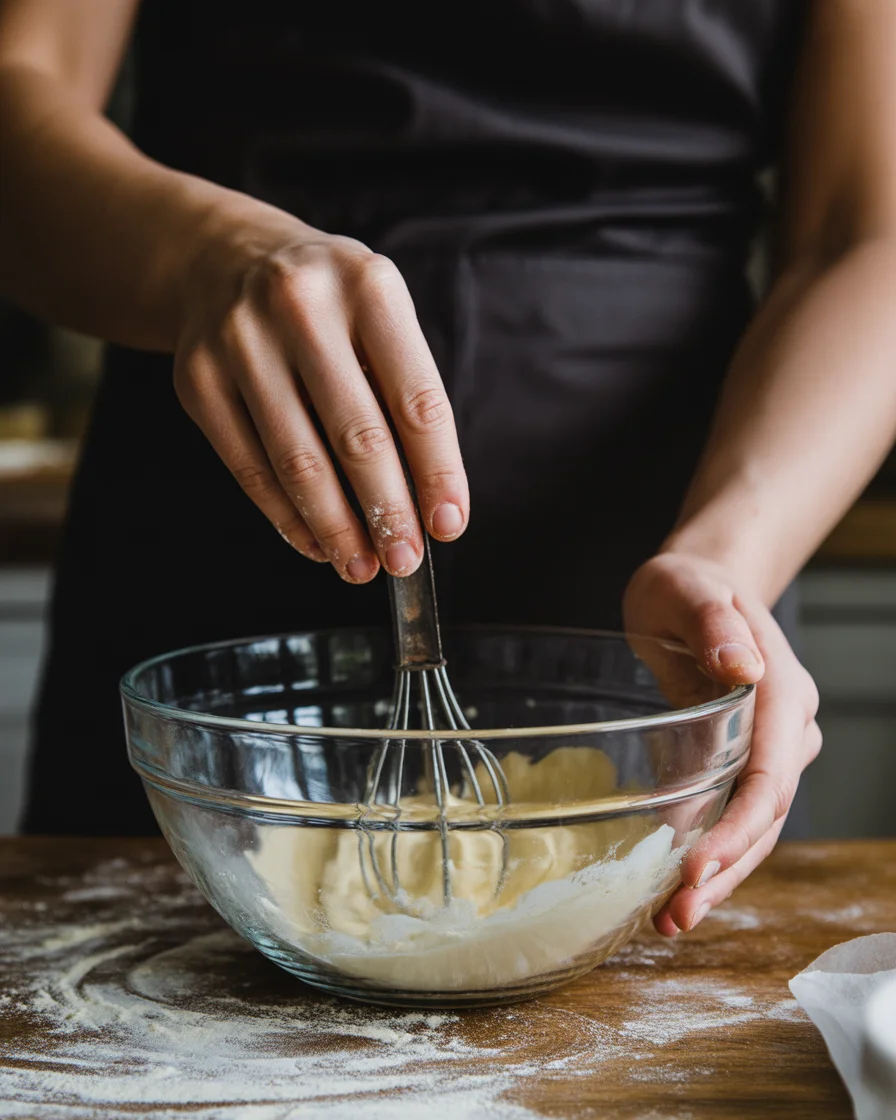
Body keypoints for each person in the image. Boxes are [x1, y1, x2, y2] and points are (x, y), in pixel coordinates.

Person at [1, 1, 894, 939]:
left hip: (658, 590)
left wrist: (729, 557)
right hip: (212, 583)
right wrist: (203, 259)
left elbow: (863, 233)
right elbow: (24, 91)